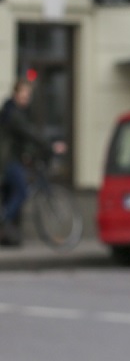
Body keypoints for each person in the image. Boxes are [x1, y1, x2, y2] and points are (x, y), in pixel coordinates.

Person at [0, 81, 65, 246]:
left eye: (28, 95)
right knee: (22, 191)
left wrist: (30, 154)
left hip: (10, 158)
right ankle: (3, 221)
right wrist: (49, 146)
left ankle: (9, 237)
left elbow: (22, 139)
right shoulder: (14, 114)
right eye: (23, 94)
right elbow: (30, 134)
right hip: (6, 161)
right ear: (16, 93)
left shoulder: (14, 111)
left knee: (9, 196)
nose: (26, 98)